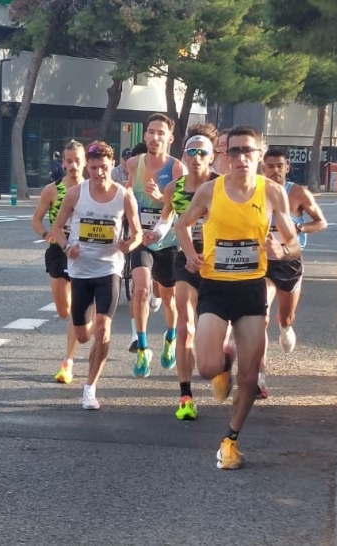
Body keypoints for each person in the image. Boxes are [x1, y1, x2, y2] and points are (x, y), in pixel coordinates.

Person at [174, 125, 301, 470]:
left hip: (251, 290)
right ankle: (223, 365)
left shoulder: (273, 192)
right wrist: (189, 255)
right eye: (235, 152)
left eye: (248, 151)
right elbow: (182, 225)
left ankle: (230, 441)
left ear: (260, 156)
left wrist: (282, 249)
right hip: (215, 288)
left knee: (249, 379)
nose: (242, 158)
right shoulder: (209, 191)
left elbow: (293, 245)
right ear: (225, 157)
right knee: (207, 368)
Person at [49, 141, 142, 410]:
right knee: (82, 336)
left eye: (103, 167)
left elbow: (136, 234)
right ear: (87, 167)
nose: (98, 173)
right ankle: (84, 329)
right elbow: (56, 229)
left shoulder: (124, 195)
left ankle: (90, 388)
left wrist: (130, 244)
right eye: (93, 168)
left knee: (103, 329)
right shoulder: (75, 194)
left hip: (108, 269)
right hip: (80, 271)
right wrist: (67, 248)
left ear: (111, 166)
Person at [143, 123, 225, 420]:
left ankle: (222, 364)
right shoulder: (173, 188)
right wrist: (155, 232)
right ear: (185, 154)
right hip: (186, 261)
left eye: (202, 152)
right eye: (191, 152)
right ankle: (185, 396)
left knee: (214, 335)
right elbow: (167, 220)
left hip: (218, 261)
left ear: (212, 156)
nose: (196, 157)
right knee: (185, 327)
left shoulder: (222, 185)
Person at [256, 147, 327, 398]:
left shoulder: (297, 193)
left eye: (279, 166)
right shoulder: (253, 191)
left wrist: (299, 228)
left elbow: (321, 222)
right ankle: (259, 377)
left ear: (287, 167)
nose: (275, 171)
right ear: (262, 168)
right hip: (261, 262)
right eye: (270, 166)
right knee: (260, 315)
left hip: (289, 261)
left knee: (284, 317)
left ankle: (285, 327)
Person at [125, 113, 188, 378]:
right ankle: (141, 347)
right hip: (141, 239)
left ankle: (170, 339)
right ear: (145, 135)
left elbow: (180, 207)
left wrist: (161, 197)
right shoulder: (133, 164)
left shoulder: (176, 169)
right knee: (140, 290)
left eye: (161, 133)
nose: (155, 137)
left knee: (167, 298)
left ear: (170, 138)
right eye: (151, 132)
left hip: (168, 241)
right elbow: (128, 197)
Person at [31, 140, 86, 384]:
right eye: (69, 160)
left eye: (78, 160)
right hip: (57, 252)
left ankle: (68, 362)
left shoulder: (92, 189)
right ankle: (84, 313)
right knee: (64, 311)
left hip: (85, 252)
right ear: (62, 163)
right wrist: (46, 234)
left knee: (76, 312)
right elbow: (36, 219)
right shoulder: (52, 190)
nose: (73, 165)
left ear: (85, 162)